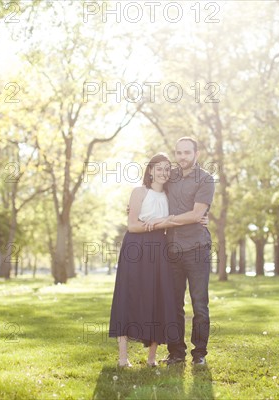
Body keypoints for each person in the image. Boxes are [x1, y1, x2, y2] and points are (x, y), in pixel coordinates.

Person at [147, 137, 215, 366]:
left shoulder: (205, 179)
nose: (182, 157)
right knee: (174, 303)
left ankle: (200, 354)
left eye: (187, 152)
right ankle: (176, 352)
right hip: (172, 250)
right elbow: (151, 188)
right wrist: (136, 206)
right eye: (179, 153)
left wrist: (167, 220)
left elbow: (197, 215)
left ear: (196, 153)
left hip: (197, 249)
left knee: (199, 304)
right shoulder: (171, 176)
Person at [108, 153, 178, 367]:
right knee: (128, 294)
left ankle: (151, 359)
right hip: (136, 246)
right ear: (150, 170)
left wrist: (201, 217)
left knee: (157, 296)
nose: (163, 172)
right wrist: (160, 222)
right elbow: (133, 225)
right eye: (159, 168)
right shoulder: (139, 192)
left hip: (159, 248)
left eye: (167, 169)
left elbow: (179, 218)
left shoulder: (170, 195)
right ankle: (122, 358)